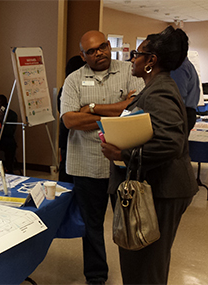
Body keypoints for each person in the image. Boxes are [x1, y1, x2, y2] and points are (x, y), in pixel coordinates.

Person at [101, 26, 198, 285]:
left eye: (137, 54)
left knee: (145, 266)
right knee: (146, 264)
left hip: (162, 191)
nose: (132, 59)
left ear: (151, 61)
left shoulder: (161, 90)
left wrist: (122, 153)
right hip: (158, 188)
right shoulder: (154, 87)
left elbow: (170, 142)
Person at [60, 30, 145, 285]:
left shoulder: (130, 71)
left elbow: (137, 109)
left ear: (109, 45)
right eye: (92, 51)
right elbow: (69, 120)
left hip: (122, 163)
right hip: (86, 165)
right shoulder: (74, 81)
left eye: (104, 47)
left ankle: (135, 276)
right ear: (82, 55)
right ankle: (96, 277)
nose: (100, 53)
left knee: (129, 224)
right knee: (91, 226)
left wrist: (92, 109)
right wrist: (117, 112)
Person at [57, 55, 85, 183]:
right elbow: (69, 116)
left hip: (72, 135)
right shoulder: (67, 89)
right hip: (69, 135)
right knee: (67, 171)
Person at [170, 57, 201, 130]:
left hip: (181, 113)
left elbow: (178, 97)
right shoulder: (186, 65)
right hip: (186, 112)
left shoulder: (179, 67)